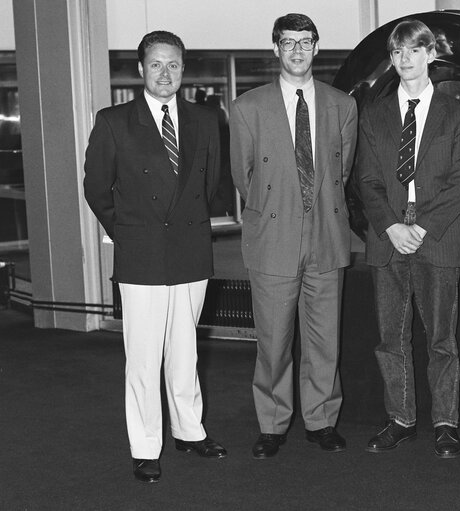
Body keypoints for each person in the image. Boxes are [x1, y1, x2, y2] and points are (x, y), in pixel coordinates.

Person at [83, 30, 226, 484]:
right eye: (157, 64)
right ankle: (145, 447)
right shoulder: (113, 121)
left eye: (174, 65)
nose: (166, 73)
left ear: (184, 70)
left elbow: (211, 183)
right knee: (144, 357)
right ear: (140, 69)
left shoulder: (205, 119)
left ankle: (189, 431)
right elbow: (96, 188)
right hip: (141, 251)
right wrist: (126, 232)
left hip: (189, 249)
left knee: (186, 351)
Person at [229, 13, 358, 459]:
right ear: (276, 49)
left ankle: (321, 420)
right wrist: (279, 205)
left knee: (325, 340)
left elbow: (341, 173)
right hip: (272, 237)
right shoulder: (248, 107)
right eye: (289, 42)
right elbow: (244, 176)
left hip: (326, 234)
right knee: (274, 341)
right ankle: (272, 423)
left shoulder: (342, 104)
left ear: (317, 47)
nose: (298, 50)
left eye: (306, 42)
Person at [356, 19, 460, 459]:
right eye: (397, 52)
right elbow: (365, 179)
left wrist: (421, 228)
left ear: (430, 54)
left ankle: (445, 423)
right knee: (391, 338)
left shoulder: (459, 114)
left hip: (438, 235)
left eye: (412, 51)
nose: (404, 60)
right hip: (387, 234)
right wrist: (392, 226)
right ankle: (400, 419)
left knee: (441, 339)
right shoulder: (373, 113)